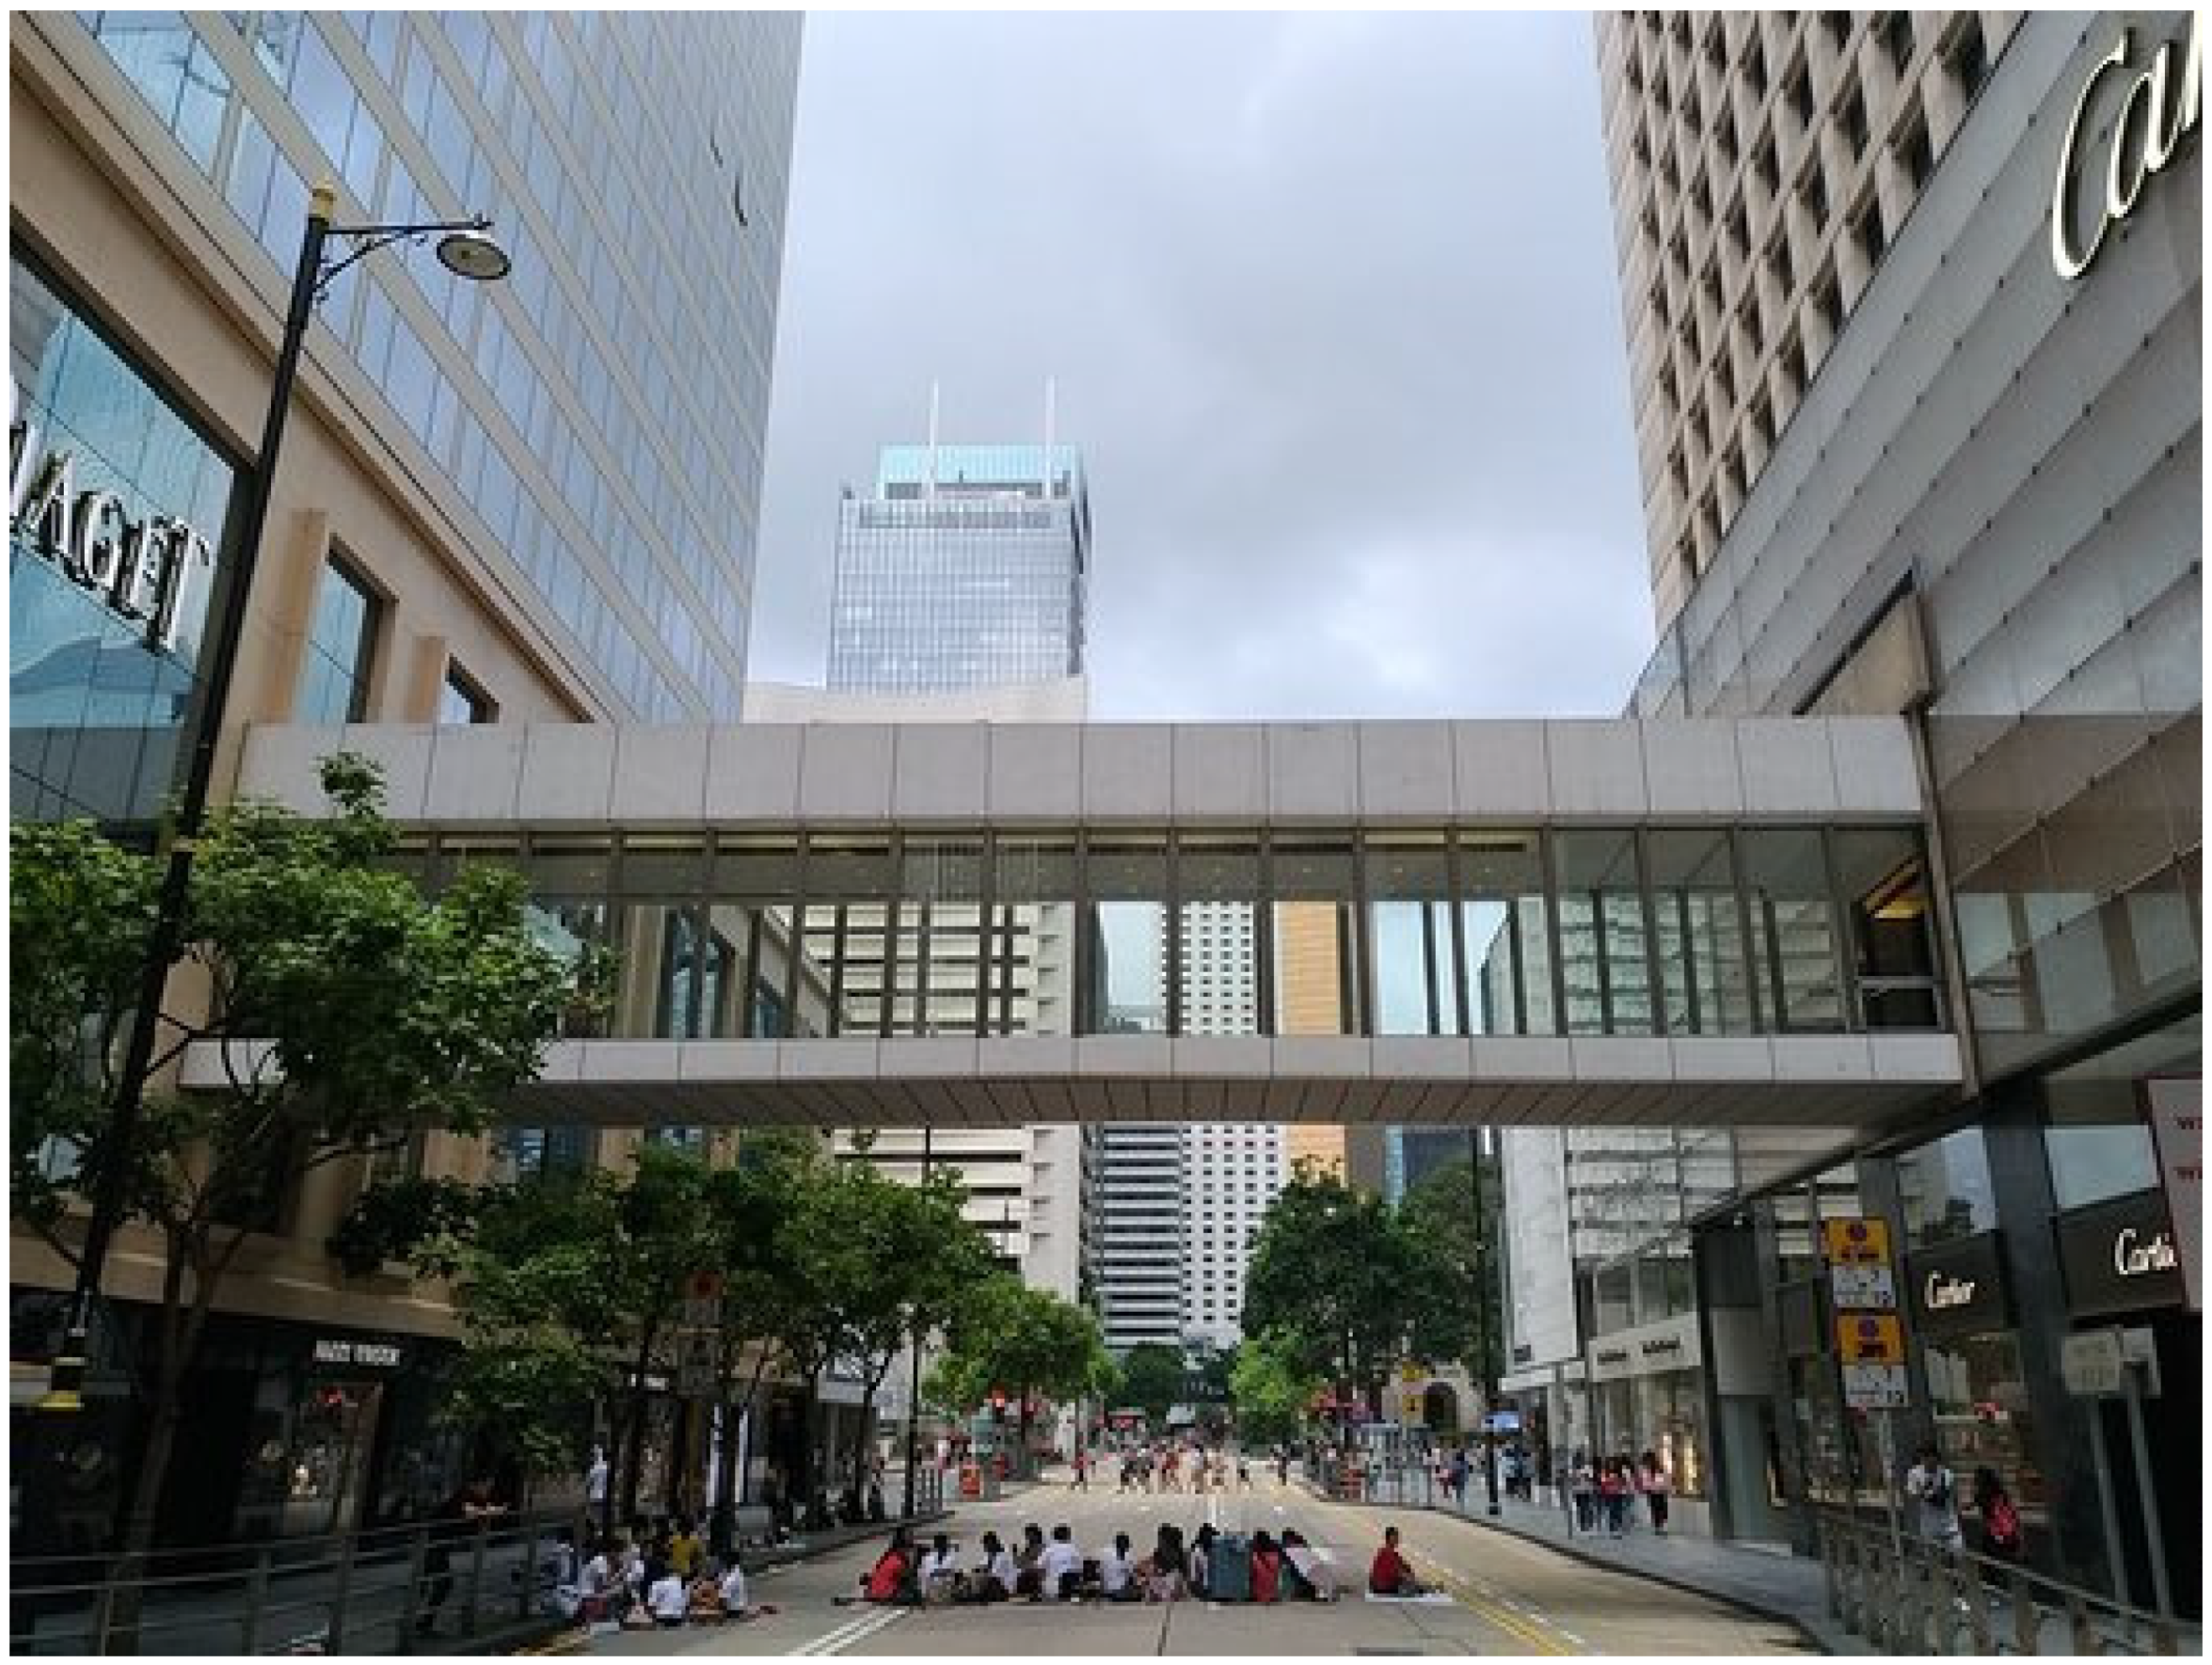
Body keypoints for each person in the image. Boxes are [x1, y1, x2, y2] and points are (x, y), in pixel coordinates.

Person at [1905, 1444, 1964, 1558]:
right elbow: (1911, 1495)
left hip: (1950, 1524)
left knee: (1958, 1556)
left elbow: (1951, 1497)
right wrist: (1924, 1491)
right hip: (1929, 1525)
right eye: (1924, 1457)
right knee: (1933, 1560)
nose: (1927, 1461)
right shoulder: (1914, 1473)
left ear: (1936, 1457)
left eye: (1929, 1457)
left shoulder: (1947, 1474)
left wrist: (1958, 1516)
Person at [1972, 1467, 2022, 1563]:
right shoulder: (2001, 1493)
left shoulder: (1982, 1495)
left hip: (1994, 1535)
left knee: (1992, 1565)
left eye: (1976, 1478)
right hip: (2006, 1534)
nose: (1975, 1481)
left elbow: (1970, 1506)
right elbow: (2013, 1514)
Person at [858, 1525, 916, 1603]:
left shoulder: (889, 1554)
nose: (912, 1538)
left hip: (871, 1591)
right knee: (914, 1593)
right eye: (910, 1535)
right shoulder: (900, 1557)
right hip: (886, 1592)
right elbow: (907, 1578)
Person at [1369, 1526, 1427, 1597]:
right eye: (1395, 1537)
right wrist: (1412, 1580)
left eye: (1398, 1537)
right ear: (1390, 1538)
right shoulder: (1386, 1553)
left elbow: (1405, 1566)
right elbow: (1397, 1572)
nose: (1398, 1540)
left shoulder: (1392, 1553)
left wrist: (1411, 1575)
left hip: (1384, 1585)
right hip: (1381, 1588)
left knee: (1416, 1586)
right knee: (1416, 1589)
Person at [1281, 1531, 1338, 1601]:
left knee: (1288, 1568)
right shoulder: (1307, 1548)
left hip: (1313, 1581)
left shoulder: (1290, 1550)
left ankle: (1305, 1592)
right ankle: (1325, 1593)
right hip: (1327, 1581)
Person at [1140, 1524, 1187, 1602]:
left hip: (1172, 1582)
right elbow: (1153, 1566)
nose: (1159, 1540)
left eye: (1160, 1537)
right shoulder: (1159, 1552)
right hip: (1164, 1581)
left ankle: (1164, 1595)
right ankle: (1159, 1594)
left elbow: (1181, 1573)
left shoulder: (1177, 1553)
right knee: (1150, 1579)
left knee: (1174, 1578)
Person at [970, 1531, 1016, 1602]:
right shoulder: (989, 1556)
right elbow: (980, 1567)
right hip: (993, 1584)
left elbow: (995, 1574)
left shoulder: (1004, 1556)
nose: (985, 1547)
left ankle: (977, 1595)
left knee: (988, 1579)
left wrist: (981, 1572)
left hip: (1004, 1587)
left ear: (992, 1544)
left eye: (986, 1545)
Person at [1042, 1524, 1083, 1600]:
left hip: (1052, 1589)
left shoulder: (1049, 1550)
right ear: (1068, 1536)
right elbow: (1080, 1568)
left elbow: (1039, 1567)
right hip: (1070, 1587)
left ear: (1054, 1537)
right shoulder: (1073, 1550)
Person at [1638, 1451, 1672, 1536]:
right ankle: (1659, 1527)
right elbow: (1645, 1481)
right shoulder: (1647, 1469)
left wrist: (1665, 1488)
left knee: (1660, 1509)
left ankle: (1660, 1526)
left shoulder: (1659, 1468)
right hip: (1654, 1492)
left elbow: (1665, 1478)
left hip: (1659, 1491)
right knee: (1657, 1509)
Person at [646, 1563, 688, 1628]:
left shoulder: (656, 1584)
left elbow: (651, 1604)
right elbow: (685, 1602)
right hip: (678, 1617)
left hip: (662, 1617)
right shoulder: (681, 1584)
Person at [1098, 1532, 1139, 1601]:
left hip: (1122, 1591)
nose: (1126, 1550)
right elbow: (1101, 1573)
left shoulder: (1129, 1557)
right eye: (1125, 1547)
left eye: (1127, 1548)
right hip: (1110, 1590)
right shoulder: (1106, 1554)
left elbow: (1131, 1577)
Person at [1250, 1530, 1282, 1605]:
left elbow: (1253, 1574)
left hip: (1259, 1593)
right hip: (1273, 1590)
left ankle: (1263, 1595)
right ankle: (1270, 1595)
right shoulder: (1275, 1551)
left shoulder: (1256, 1554)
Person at [1569, 1452, 1598, 1534]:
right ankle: (1583, 1525)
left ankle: (1588, 1523)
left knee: (1586, 1508)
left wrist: (1585, 1476)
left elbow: (1591, 1478)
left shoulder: (1587, 1468)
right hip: (1579, 1492)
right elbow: (1572, 1481)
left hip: (1586, 1491)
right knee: (1582, 1508)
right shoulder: (1574, 1470)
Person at [1188, 1523, 1218, 1600]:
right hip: (1203, 1590)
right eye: (1211, 1537)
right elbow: (1193, 1575)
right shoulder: (1196, 1552)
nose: (1213, 1540)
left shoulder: (1213, 1550)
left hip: (1212, 1588)